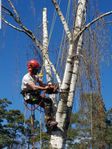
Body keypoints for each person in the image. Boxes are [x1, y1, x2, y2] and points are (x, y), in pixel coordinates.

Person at [21, 59, 58, 130]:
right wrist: (45, 88)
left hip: (34, 95)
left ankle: (49, 122)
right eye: (36, 69)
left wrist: (50, 87)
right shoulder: (27, 77)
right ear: (31, 69)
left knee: (47, 100)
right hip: (29, 97)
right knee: (47, 102)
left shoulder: (35, 77)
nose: (37, 71)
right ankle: (49, 122)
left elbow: (42, 84)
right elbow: (34, 87)